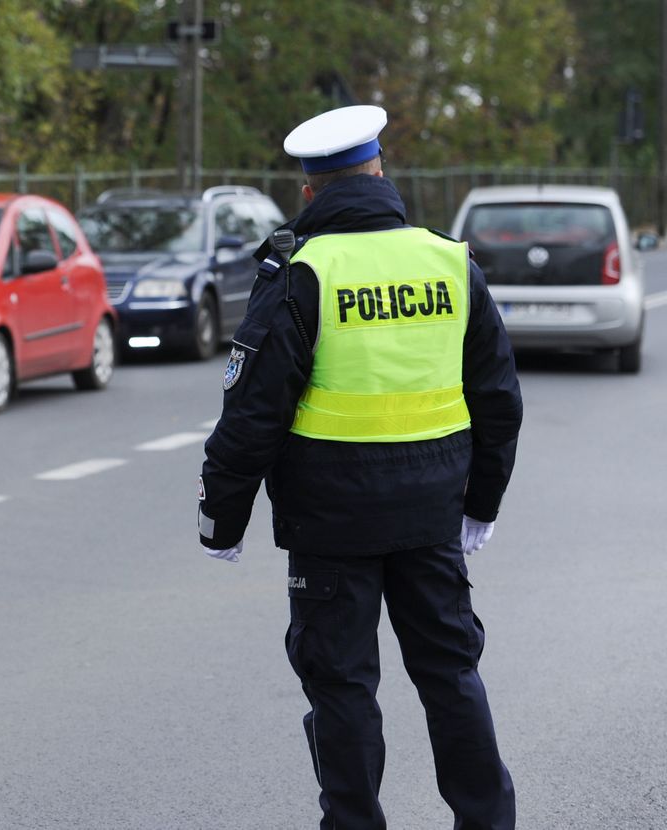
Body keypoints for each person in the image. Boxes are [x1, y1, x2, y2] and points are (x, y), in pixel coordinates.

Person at [197, 105, 522, 830]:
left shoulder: (302, 272)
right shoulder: (448, 260)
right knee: (450, 674)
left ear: (310, 193)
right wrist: (483, 504)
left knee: (342, 686)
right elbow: (499, 398)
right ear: (381, 172)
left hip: (329, 524)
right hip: (433, 517)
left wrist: (222, 518)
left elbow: (252, 415)